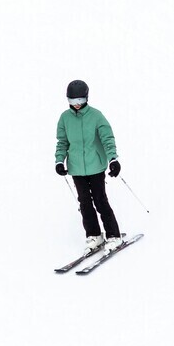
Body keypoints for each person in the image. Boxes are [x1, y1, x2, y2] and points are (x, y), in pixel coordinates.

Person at [55, 80, 123, 254]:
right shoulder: (65, 118)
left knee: (100, 201)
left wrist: (113, 159)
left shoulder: (96, 116)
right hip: (76, 168)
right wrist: (59, 160)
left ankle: (113, 235)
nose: (76, 104)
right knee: (84, 203)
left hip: (96, 166)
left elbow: (108, 138)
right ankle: (94, 235)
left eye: (79, 100)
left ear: (86, 97)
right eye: (72, 101)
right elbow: (62, 142)